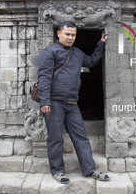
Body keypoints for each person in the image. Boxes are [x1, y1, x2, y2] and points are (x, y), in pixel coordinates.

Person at [37, 21, 109, 184]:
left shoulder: (77, 53)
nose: (70, 37)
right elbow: (44, 77)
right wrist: (44, 101)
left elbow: (91, 62)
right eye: (67, 34)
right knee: (55, 138)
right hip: (54, 103)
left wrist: (101, 44)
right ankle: (57, 171)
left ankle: (90, 169)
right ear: (58, 33)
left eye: (73, 35)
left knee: (81, 137)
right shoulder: (49, 52)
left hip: (72, 103)